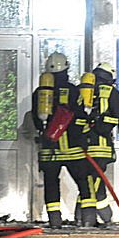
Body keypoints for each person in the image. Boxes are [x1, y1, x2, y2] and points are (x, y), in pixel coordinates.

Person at [30, 53, 93, 228]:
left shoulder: (40, 94)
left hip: (50, 150)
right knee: (84, 182)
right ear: (67, 68)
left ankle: (55, 221)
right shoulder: (75, 91)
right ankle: (88, 220)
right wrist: (82, 135)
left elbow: (37, 119)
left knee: (51, 184)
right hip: (74, 149)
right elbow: (82, 118)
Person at [81, 62, 119, 225]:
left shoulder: (81, 90)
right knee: (94, 181)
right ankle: (93, 218)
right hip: (100, 146)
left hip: (80, 146)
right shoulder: (110, 92)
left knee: (88, 181)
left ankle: (96, 216)